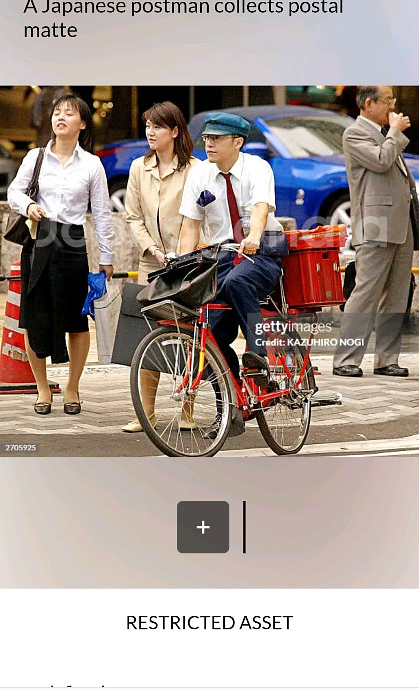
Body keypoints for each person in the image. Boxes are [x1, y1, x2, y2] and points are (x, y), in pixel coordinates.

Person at [179, 111, 284, 438]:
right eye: (207, 138)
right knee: (209, 334)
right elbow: (190, 227)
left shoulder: (257, 167)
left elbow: (260, 208)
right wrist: (182, 263)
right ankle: (231, 407)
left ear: (237, 142)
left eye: (217, 139)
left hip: (262, 248)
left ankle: (259, 356)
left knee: (240, 281)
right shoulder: (200, 175)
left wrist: (252, 236)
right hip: (222, 255)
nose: (209, 143)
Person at [7, 93, 115, 414]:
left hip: (72, 243)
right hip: (39, 242)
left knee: (76, 319)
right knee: (34, 317)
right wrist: (28, 206)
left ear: (82, 124)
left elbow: (103, 213)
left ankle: (72, 387)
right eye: (56, 112)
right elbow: (14, 190)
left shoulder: (92, 164)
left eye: (68, 113)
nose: (60, 117)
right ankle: (42, 389)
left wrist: (106, 258)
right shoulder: (35, 157)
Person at [123, 100, 201, 432]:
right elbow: (133, 216)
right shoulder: (139, 168)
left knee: (189, 336)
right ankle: (147, 413)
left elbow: (202, 217)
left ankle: (187, 411)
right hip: (150, 261)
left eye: (157, 126)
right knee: (148, 335)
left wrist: (185, 253)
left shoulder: (196, 169)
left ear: (174, 131)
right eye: (147, 126)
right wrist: (152, 249)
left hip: (188, 262)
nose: (150, 132)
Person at [333, 86, 419, 378]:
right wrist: (395, 132)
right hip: (375, 224)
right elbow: (381, 161)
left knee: (397, 293)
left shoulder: (384, 133)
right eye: (388, 101)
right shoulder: (354, 134)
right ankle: (346, 359)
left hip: (400, 224)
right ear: (368, 103)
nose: (392, 107)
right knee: (366, 293)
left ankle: (386, 359)